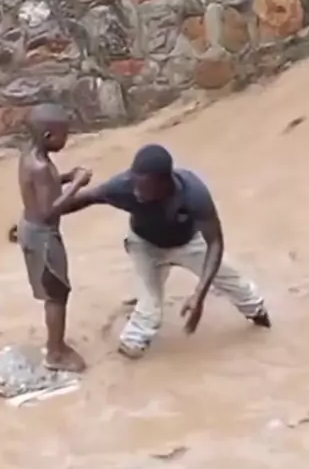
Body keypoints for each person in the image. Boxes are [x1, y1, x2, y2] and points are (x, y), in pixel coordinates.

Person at [61, 144, 271, 359]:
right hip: (145, 246)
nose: (136, 192)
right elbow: (85, 198)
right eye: (134, 184)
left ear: (164, 183)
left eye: (144, 188)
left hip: (188, 243)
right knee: (148, 313)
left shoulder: (193, 193)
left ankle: (261, 322)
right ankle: (127, 360)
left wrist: (199, 295)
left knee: (237, 286)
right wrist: (47, 214)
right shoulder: (123, 186)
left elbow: (215, 243)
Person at [16, 103, 92, 372]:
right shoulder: (40, 166)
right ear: (48, 136)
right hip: (44, 237)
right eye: (64, 135)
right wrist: (77, 184)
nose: (66, 139)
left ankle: (56, 345)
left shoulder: (29, 156)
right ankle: (55, 353)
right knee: (57, 294)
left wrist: (66, 177)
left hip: (30, 227)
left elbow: (42, 189)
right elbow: (49, 210)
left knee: (54, 292)